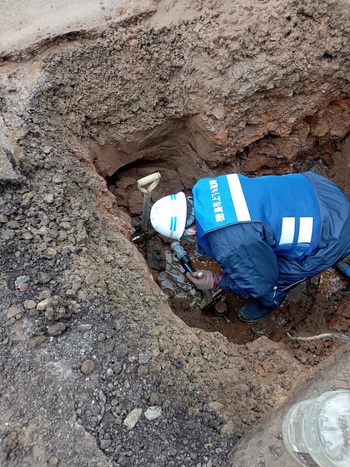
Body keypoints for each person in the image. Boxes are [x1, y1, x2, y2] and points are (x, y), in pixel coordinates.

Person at [150, 171, 350, 323]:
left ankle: (267, 304)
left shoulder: (229, 244)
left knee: (275, 281)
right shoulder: (206, 187)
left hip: (333, 233)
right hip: (316, 188)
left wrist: (216, 280)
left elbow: (259, 283)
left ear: (190, 232)